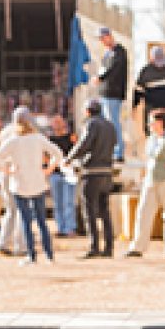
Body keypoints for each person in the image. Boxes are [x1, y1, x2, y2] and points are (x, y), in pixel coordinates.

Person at [0, 107, 63, 266]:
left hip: (19, 183)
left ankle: (31, 256)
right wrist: (49, 168)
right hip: (38, 182)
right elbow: (57, 153)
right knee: (42, 222)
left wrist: (7, 170)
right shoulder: (38, 138)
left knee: (26, 221)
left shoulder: (13, 140)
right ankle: (49, 256)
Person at [125, 110, 165, 260]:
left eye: (152, 121)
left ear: (161, 123)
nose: (150, 124)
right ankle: (138, 247)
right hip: (151, 180)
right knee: (143, 212)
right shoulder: (152, 139)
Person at [64, 99, 117, 259]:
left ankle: (94, 246)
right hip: (107, 172)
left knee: (89, 211)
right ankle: (108, 248)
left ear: (87, 111)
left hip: (91, 172)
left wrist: (70, 158)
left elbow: (84, 144)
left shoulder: (91, 124)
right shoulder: (110, 125)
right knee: (105, 211)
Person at [92, 27, 128, 162]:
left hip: (114, 93)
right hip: (105, 93)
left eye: (103, 38)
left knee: (113, 123)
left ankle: (119, 152)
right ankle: (108, 150)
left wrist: (101, 77)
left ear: (109, 36)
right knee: (106, 123)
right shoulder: (108, 53)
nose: (101, 41)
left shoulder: (119, 52)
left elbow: (114, 69)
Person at [0, 117, 26, 256]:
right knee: (22, 210)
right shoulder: (21, 133)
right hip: (15, 174)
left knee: (11, 210)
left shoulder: (4, 132)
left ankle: (2, 243)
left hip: (4, 174)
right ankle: (21, 246)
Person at [133, 46, 165, 136]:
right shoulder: (145, 72)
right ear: (151, 59)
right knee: (153, 136)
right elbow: (138, 91)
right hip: (153, 111)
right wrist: (134, 106)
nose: (160, 66)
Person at [48, 115, 77, 237]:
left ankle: (69, 228)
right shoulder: (49, 139)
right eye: (55, 122)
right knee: (58, 203)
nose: (57, 124)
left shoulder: (71, 137)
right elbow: (45, 155)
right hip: (55, 174)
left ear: (64, 123)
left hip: (69, 174)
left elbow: (78, 151)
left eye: (59, 122)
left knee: (68, 202)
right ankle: (60, 227)